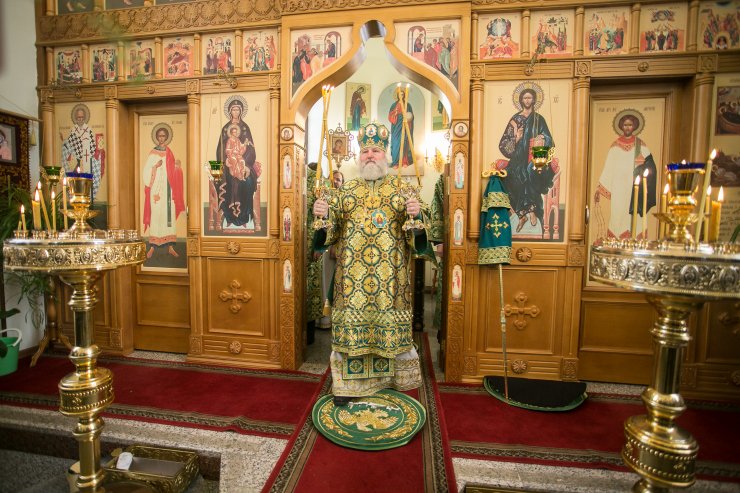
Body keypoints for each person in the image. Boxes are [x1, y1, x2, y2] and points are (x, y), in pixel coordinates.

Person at [312, 122, 430, 406]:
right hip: (352, 283)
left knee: (388, 331)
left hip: (391, 282)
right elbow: (329, 233)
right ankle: (348, 386)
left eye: (376, 151)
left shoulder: (403, 191)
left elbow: (418, 237)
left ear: (385, 155)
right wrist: (322, 214)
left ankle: (392, 381)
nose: (370, 156)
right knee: (352, 335)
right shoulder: (346, 191)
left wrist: (417, 215)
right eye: (365, 151)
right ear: (359, 156)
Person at [498, 88, 557, 234]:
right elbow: (503, 144)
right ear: (521, 100)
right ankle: (522, 215)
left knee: (530, 171)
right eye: (525, 98)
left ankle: (530, 211)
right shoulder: (515, 119)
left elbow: (549, 139)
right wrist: (517, 138)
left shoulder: (539, 119)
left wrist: (543, 138)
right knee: (509, 176)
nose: (527, 100)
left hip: (534, 157)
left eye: (530, 98)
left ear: (534, 100)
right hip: (518, 157)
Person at [594, 113, 657, 239]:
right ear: (621, 126)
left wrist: (643, 165)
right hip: (618, 188)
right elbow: (608, 168)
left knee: (635, 218)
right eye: (625, 125)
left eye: (630, 125)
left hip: (635, 188)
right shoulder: (614, 146)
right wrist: (599, 190)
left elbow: (651, 167)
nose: (627, 127)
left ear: (634, 126)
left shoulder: (641, 145)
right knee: (617, 215)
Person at [142, 125, 185, 259]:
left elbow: (172, 170)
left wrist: (177, 166)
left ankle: (170, 247)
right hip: (156, 189)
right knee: (156, 215)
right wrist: (155, 166)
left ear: (166, 137)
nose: (161, 138)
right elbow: (146, 171)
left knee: (168, 216)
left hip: (168, 188)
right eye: (159, 136)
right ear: (157, 137)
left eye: (163, 136)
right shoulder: (153, 152)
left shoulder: (169, 152)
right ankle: (152, 247)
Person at [61, 104, 102, 201]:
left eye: (82, 117)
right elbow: (69, 144)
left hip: (87, 158)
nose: (80, 119)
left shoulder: (88, 130)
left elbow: (92, 146)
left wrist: (87, 151)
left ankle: (89, 197)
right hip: (76, 160)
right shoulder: (73, 130)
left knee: (92, 174)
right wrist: (65, 142)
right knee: (73, 179)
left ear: (84, 118)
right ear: (76, 118)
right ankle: (75, 198)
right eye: (78, 117)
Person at [388, 87, 414, 168]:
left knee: (404, 142)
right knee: (396, 143)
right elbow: (390, 116)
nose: (401, 96)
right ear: (397, 95)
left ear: (404, 95)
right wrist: (395, 113)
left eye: (402, 94)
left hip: (405, 125)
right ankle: (396, 162)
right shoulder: (394, 105)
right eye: (400, 94)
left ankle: (404, 162)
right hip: (396, 126)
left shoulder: (407, 105)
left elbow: (411, 116)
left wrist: (408, 116)